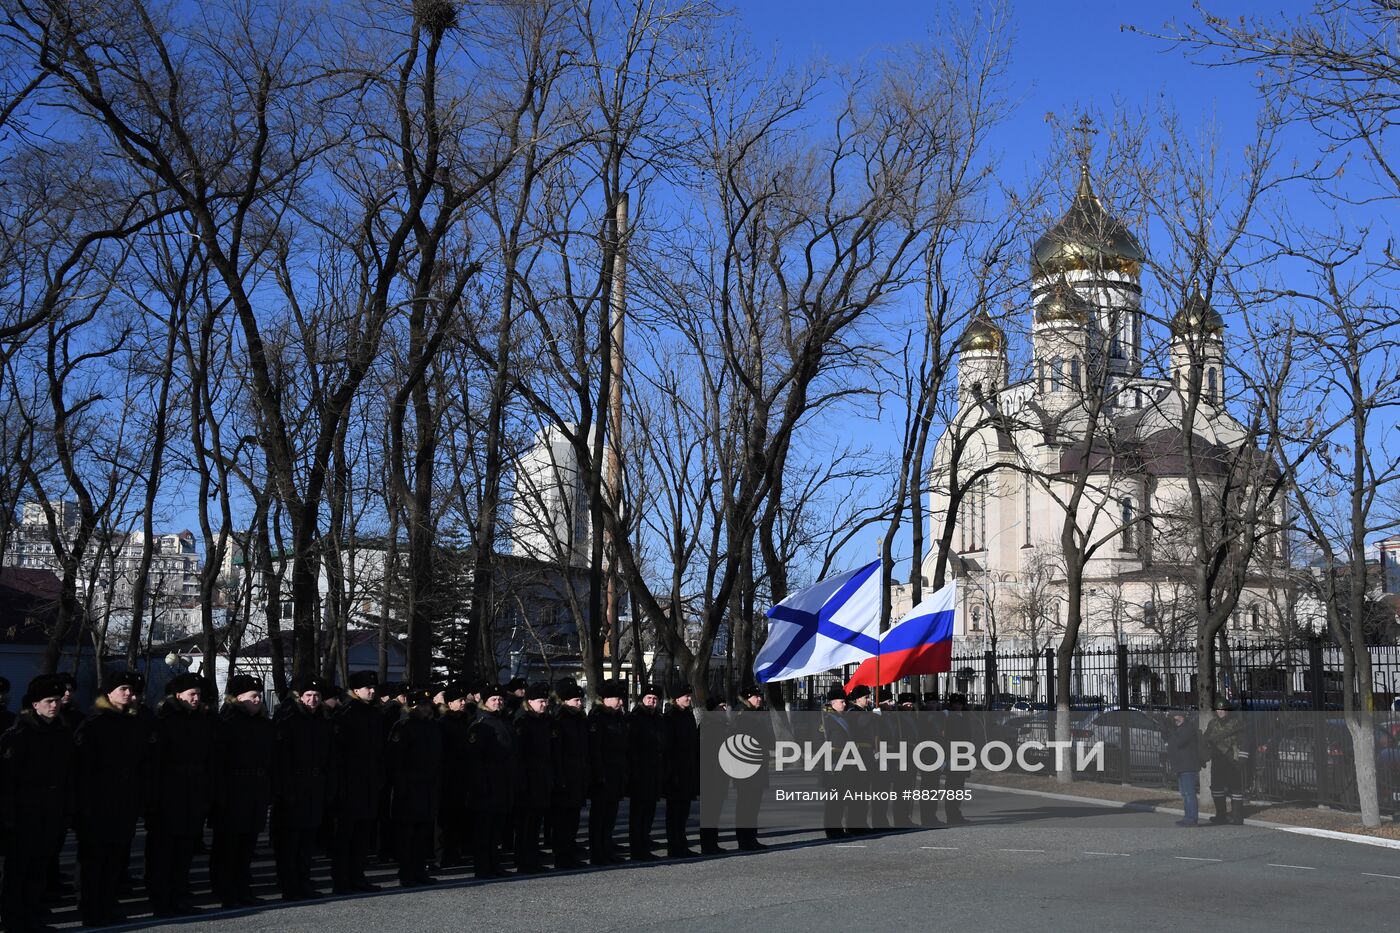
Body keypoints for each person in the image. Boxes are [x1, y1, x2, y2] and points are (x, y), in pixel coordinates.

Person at [0, 675, 74, 933]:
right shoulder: (18, 735)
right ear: (35, 704)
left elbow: (68, 776)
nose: (55, 705)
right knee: (18, 870)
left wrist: (66, 810)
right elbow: (7, 781)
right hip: (23, 812)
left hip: (50, 810)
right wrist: (9, 816)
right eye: (49, 701)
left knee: (40, 869)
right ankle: (13, 920)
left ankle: (32, 916)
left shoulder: (62, 733)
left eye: (57, 701)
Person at [73, 671, 147, 926]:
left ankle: (108, 903)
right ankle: (91, 908)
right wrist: (85, 806)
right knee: (94, 859)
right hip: (98, 802)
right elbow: (82, 770)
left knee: (116, 858)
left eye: (131, 690)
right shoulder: (94, 724)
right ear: (109, 692)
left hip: (124, 801)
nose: (129, 694)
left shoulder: (132, 722)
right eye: (123, 689)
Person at [145, 672, 214, 918]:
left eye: (198, 694)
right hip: (168, 793)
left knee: (185, 851)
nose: (196, 699)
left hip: (192, 791)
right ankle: (161, 900)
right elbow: (154, 762)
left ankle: (179, 896)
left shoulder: (201, 720)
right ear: (178, 695)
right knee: (163, 851)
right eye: (191, 694)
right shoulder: (163, 719)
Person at [210, 674, 273, 908]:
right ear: (238, 698)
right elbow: (219, 763)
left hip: (255, 791)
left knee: (247, 845)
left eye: (259, 697)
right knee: (229, 846)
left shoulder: (264, 725)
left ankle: (242, 887)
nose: (258, 700)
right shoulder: (227, 723)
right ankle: (226, 890)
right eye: (253, 696)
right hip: (233, 791)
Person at [272, 676, 335, 900]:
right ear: (299, 696)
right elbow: (282, 758)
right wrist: (284, 789)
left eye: (317, 696)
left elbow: (329, 756)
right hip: (294, 786)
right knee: (290, 841)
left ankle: (303, 881)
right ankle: (290, 885)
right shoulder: (288, 718)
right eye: (308, 695)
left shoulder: (322, 719)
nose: (313, 700)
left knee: (308, 840)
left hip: (314, 786)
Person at [331, 670, 386, 894]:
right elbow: (339, 754)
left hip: (369, 783)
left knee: (362, 835)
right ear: (355, 690)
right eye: (367, 688)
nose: (372, 691)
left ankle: (357, 876)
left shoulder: (373, 713)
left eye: (373, 687)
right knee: (345, 836)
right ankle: (342, 880)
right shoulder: (346, 714)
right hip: (350, 783)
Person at [389, 688, 442, 887]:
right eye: (421, 705)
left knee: (422, 833)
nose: (426, 709)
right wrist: (402, 788)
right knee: (407, 835)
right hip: (409, 789)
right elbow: (397, 763)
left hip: (428, 787)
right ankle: (407, 872)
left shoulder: (432, 727)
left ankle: (419, 870)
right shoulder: (403, 726)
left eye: (428, 705)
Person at [467, 684, 516, 879]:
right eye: (493, 699)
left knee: (496, 830)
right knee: (484, 830)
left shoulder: (502, 721)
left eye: (500, 699)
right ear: (484, 702)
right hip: (487, 785)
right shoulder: (481, 724)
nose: (498, 702)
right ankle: (483, 867)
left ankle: (494, 864)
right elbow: (474, 759)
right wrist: (481, 785)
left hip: (502, 784)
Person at [513, 682, 555, 873]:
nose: (544, 704)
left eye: (546, 701)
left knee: (535, 822)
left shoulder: (544, 720)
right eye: (541, 701)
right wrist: (521, 781)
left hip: (541, 777)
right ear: (529, 702)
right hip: (528, 779)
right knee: (525, 824)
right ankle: (523, 860)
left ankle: (532, 858)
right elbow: (519, 755)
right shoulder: (522, 721)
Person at [588, 679, 629, 865]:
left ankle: (607, 848)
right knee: (599, 816)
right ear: (606, 699)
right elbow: (595, 750)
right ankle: (598, 852)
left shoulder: (617, 717)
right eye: (618, 698)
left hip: (616, 772)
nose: (621, 702)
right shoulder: (597, 717)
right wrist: (599, 774)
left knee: (611, 815)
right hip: (603, 774)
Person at [551, 681, 590, 868]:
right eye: (576, 700)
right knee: (563, 821)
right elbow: (557, 752)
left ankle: (570, 854)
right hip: (566, 775)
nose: (580, 703)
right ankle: (562, 857)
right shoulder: (560, 719)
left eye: (580, 700)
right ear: (566, 701)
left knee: (573, 819)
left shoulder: (579, 718)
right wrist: (561, 778)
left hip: (577, 774)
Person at [627, 683, 666, 862]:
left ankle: (644, 843)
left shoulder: (658, 718)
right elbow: (632, 748)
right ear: (643, 699)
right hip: (640, 772)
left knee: (649, 812)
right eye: (649, 698)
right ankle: (637, 848)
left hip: (654, 771)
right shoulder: (636, 718)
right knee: (638, 814)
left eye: (655, 699)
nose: (652, 702)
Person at [661, 683, 700, 857]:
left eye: (689, 696)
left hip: (688, 770)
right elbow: (668, 748)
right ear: (677, 698)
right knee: (675, 813)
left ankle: (681, 844)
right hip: (676, 772)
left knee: (683, 812)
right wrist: (672, 773)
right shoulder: (671, 717)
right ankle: (674, 846)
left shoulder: (688, 715)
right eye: (686, 696)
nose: (689, 699)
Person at [437, 684, 473, 868]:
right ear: (449, 703)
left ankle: (454, 852)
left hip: (462, 777)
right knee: (446, 819)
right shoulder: (443, 724)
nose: (463, 703)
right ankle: (443, 855)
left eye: (463, 700)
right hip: (448, 778)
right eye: (459, 701)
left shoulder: (463, 721)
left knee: (458, 818)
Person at [733, 685, 772, 850]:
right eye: (756, 697)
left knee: (753, 805)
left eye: (760, 696)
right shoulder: (742, 715)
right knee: (745, 805)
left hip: (758, 766)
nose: (760, 699)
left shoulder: (756, 715)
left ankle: (751, 838)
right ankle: (744, 840)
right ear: (747, 698)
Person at [1203, 698, 1247, 825]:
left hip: (1232, 759)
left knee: (1235, 789)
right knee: (1217, 788)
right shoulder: (1212, 723)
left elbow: (1244, 742)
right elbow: (1206, 739)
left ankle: (1237, 816)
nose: (1220, 712)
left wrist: (1242, 760)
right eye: (1218, 709)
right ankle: (1221, 815)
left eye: (1223, 709)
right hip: (1217, 759)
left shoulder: (1236, 723)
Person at [819, 684, 853, 838]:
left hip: (844, 761)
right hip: (832, 761)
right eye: (841, 701)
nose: (844, 704)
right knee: (833, 799)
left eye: (845, 701)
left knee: (841, 797)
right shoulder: (825, 719)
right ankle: (832, 830)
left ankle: (838, 827)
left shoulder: (841, 718)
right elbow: (819, 741)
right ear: (832, 703)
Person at [1165, 710, 1202, 827]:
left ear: (1182, 717)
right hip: (1181, 765)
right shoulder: (1178, 729)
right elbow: (1170, 741)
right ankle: (1187, 817)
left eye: (1175, 716)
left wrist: (1171, 730)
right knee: (1185, 793)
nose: (1174, 719)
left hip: (1188, 765)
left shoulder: (1188, 728)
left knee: (1189, 793)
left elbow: (1180, 742)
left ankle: (1192, 818)